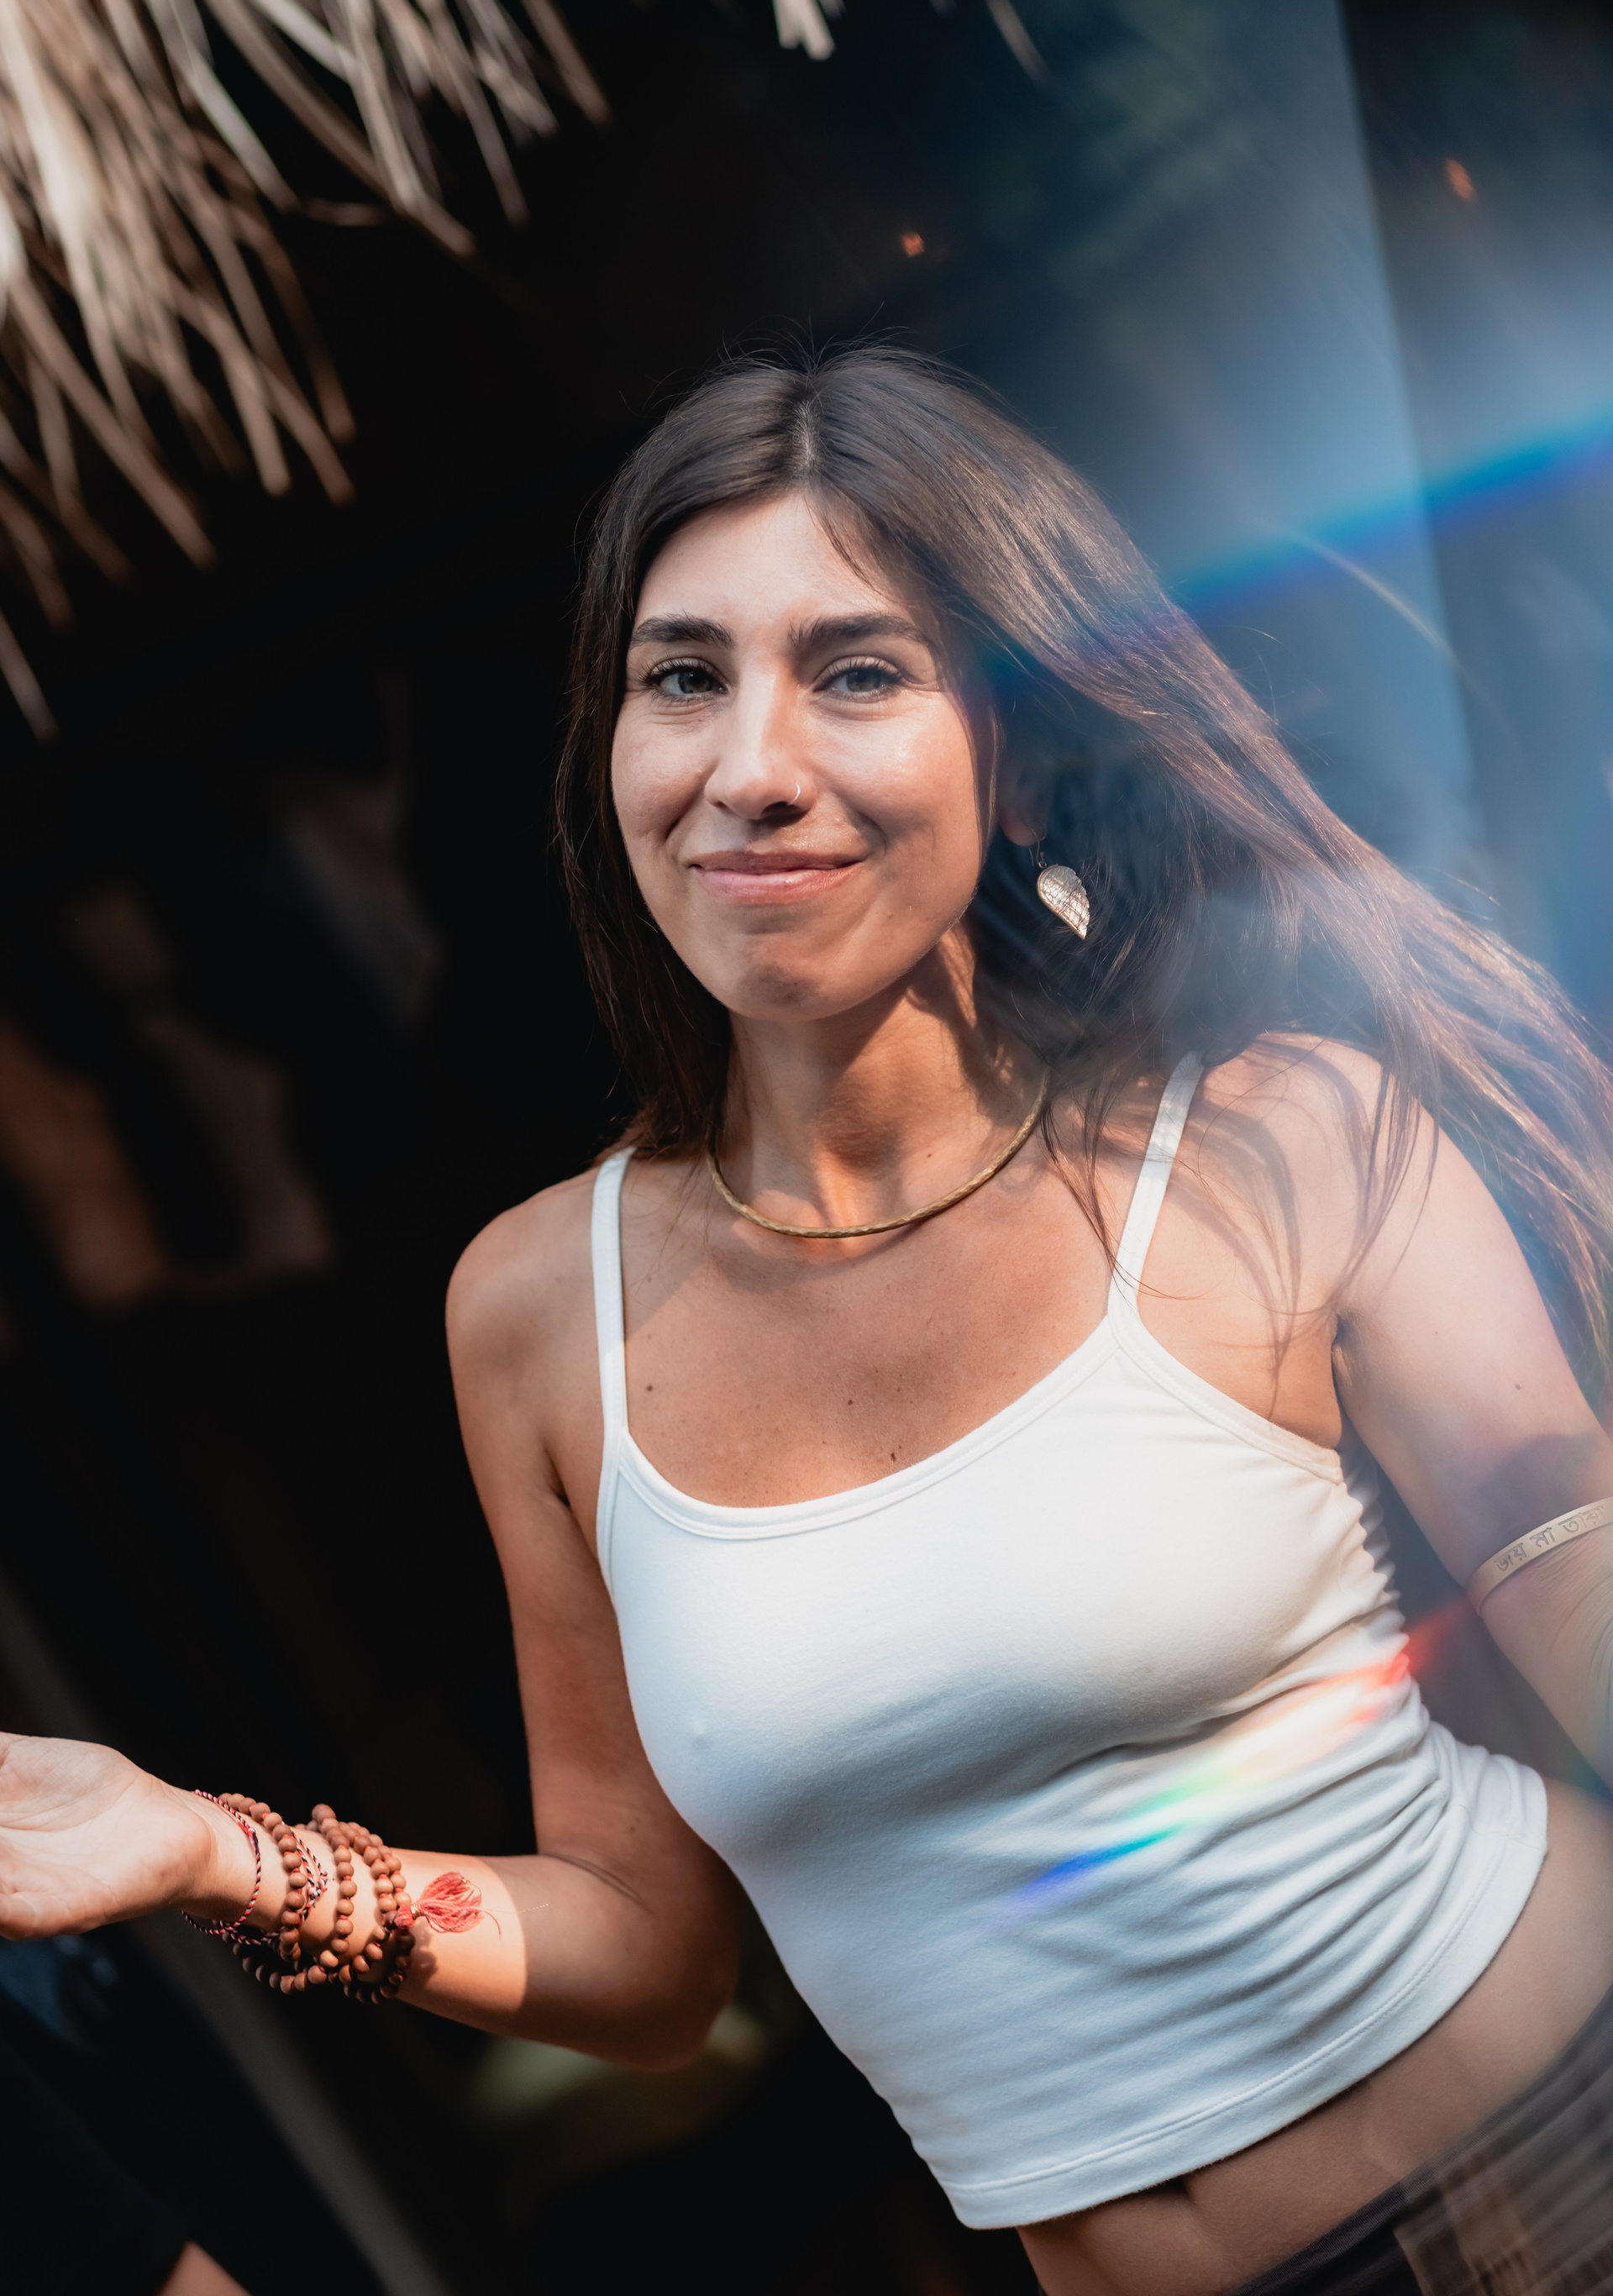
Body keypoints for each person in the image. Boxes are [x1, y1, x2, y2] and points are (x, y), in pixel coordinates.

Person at [2, 345, 1611, 2296]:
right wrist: (208, 1852)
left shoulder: (1273, 1137)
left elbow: (1571, 1573)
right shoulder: (541, 1311)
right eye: (683, 678)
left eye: (857, 673)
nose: (750, 765)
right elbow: (644, 1956)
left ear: (1018, 752)